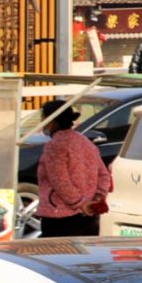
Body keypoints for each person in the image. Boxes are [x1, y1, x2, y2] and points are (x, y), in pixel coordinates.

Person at [36, 101, 111, 238]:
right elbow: (104, 175)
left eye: (43, 117)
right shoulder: (86, 142)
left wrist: (79, 203)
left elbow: (60, 181)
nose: (42, 122)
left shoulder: (55, 146)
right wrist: (95, 200)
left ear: (51, 121)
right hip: (88, 216)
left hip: (59, 216)